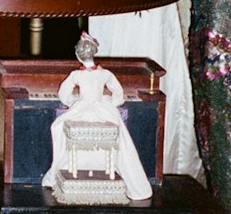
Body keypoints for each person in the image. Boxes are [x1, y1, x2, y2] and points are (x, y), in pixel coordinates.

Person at [42, 32, 153, 200]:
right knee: (122, 137)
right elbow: (119, 94)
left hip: (82, 109)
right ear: (94, 53)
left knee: (57, 126)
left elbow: (63, 95)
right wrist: (109, 102)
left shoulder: (76, 75)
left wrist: (75, 102)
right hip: (102, 110)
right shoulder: (105, 74)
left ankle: (65, 169)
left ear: (78, 56)